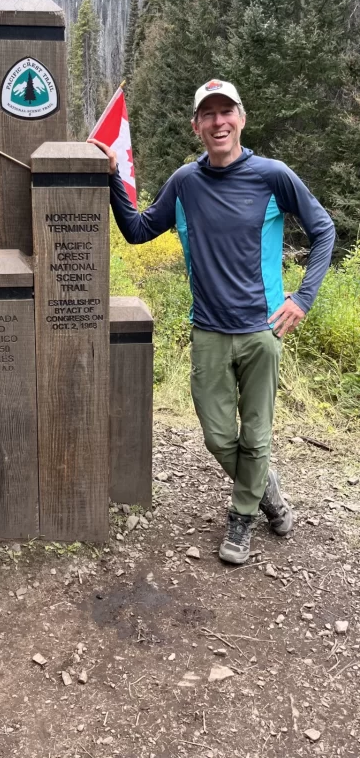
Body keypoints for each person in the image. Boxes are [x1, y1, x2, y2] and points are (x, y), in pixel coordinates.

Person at [89, 79, 335, 564]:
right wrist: (112, 178)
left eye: (227, 112)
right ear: (197, 125)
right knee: (219, 436)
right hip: (209, 332)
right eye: (209, 114)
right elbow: (139, 231)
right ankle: (268, 490)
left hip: (263, 331)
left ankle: (241, 521)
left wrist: (303, 298)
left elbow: (323, 227)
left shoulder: (272, 175)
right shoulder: (186, 182)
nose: (219, 121)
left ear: (241, 119)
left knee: (257, 433)